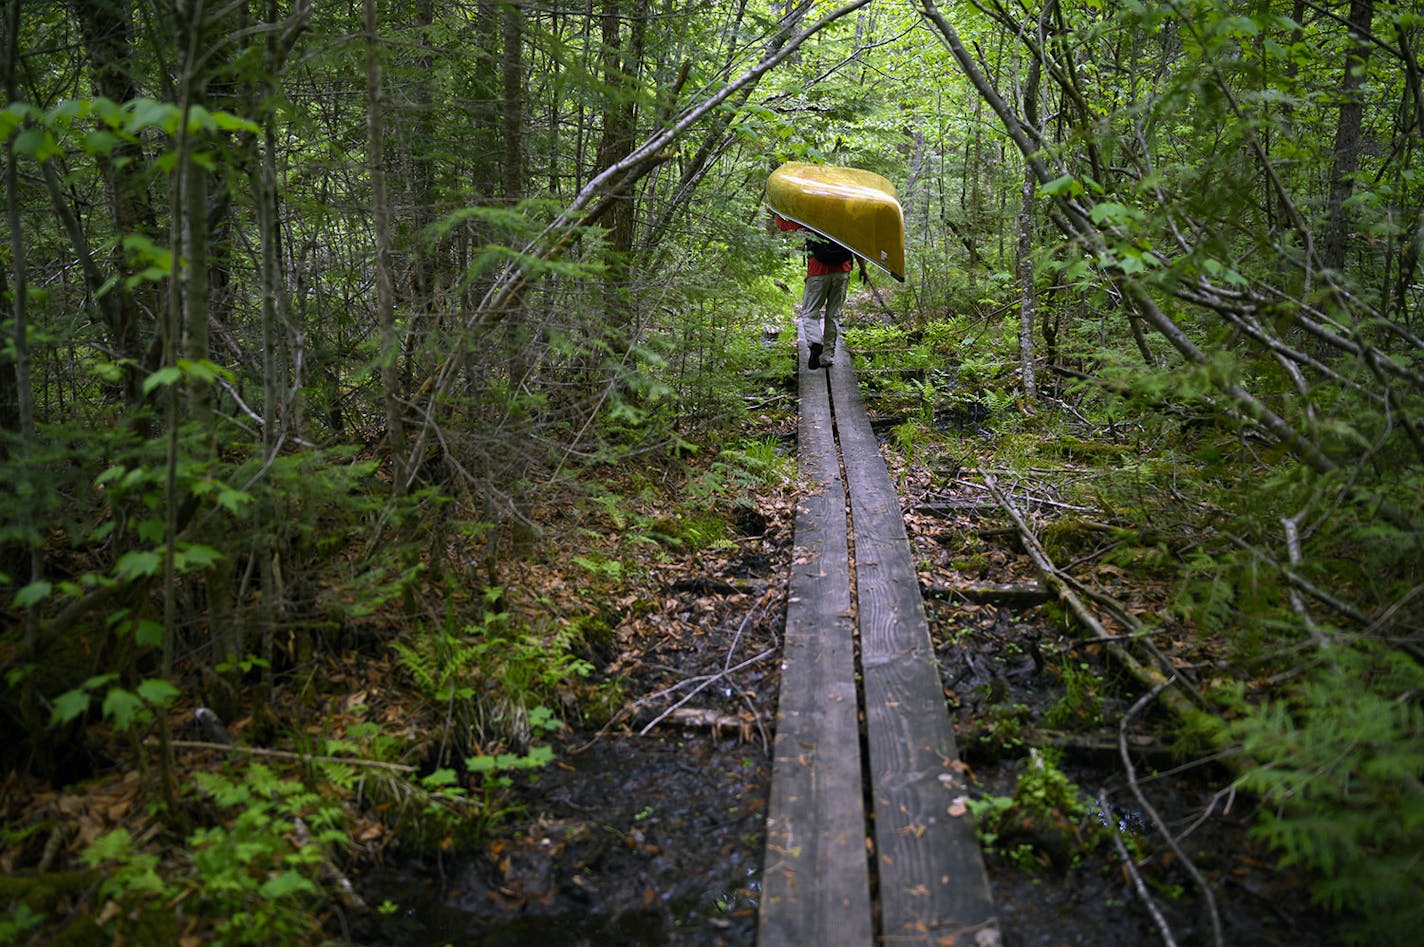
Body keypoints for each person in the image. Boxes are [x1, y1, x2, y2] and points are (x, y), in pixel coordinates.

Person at [774, 214, 866, 369]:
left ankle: (815, 341)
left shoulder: (813, 216)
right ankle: (827, 356)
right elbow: (856, 247)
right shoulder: (846, 220)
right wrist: (863, 269)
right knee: (833, 315)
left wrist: (775, 214)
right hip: (842, 272)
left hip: (818, 273)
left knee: (809, 312)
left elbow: (785, 226)